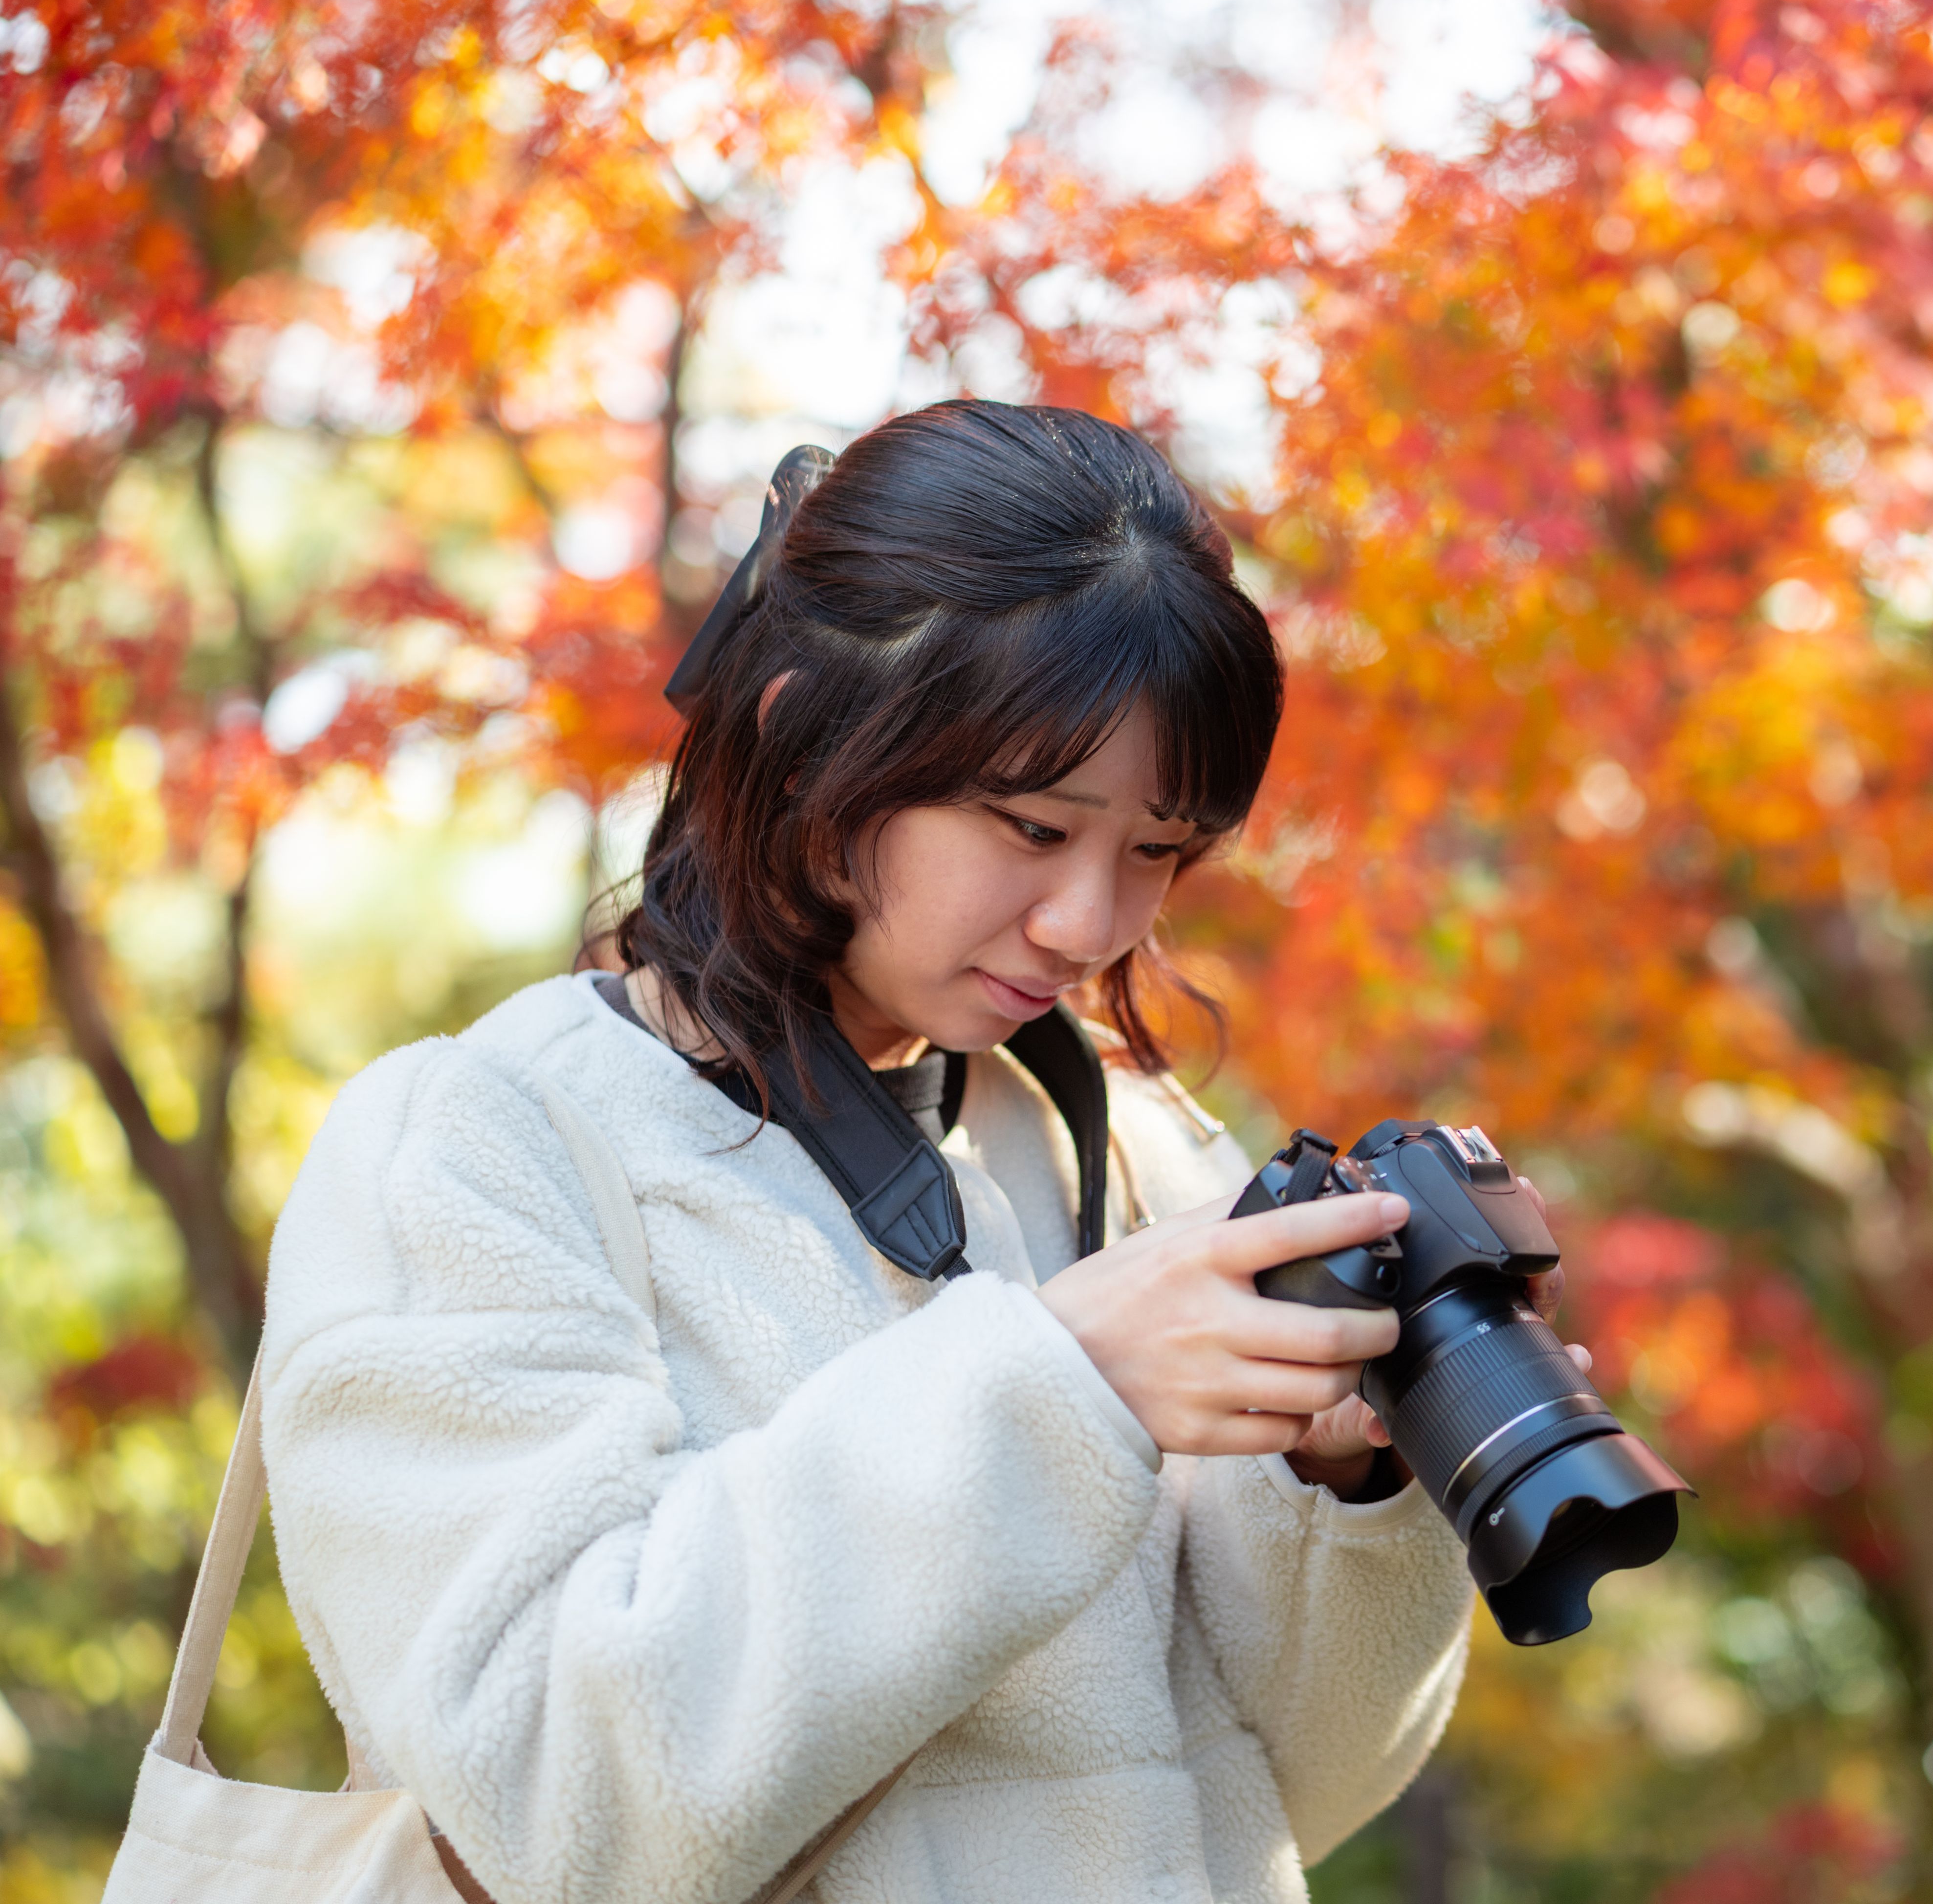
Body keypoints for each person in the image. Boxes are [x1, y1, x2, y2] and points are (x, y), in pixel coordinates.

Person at [257, 403, 1539, 1903]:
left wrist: (1348, 1496)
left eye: (1156, 850)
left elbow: (1283, 1793)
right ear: (806, 740)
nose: (1092, 925)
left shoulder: (1132, 1159)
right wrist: (1063, 1392)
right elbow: (556, 1805)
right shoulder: (485, 1144)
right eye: (1030, 826)